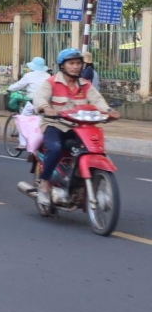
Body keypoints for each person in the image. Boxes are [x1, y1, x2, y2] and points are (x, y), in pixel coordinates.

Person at [22, 48, 118, 207]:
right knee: (55, 147)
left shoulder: (85, 85)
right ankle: (45, 183)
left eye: (78, 63)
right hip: (55, 124)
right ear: (63, 65)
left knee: (92, 148)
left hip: (79, 127)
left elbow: (97, 100)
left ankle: (80, 178)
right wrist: (46, 108)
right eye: (71, 63)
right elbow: (39, 97)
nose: (75, 66)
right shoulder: (52, 82)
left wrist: (108, 111)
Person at [6, 57, 50, 149]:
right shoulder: (48, 76)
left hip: (33, 103)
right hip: (46, 104)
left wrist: (9, 88)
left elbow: (18, 86)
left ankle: (23, 144)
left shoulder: (29, 75)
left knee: (22, 120)